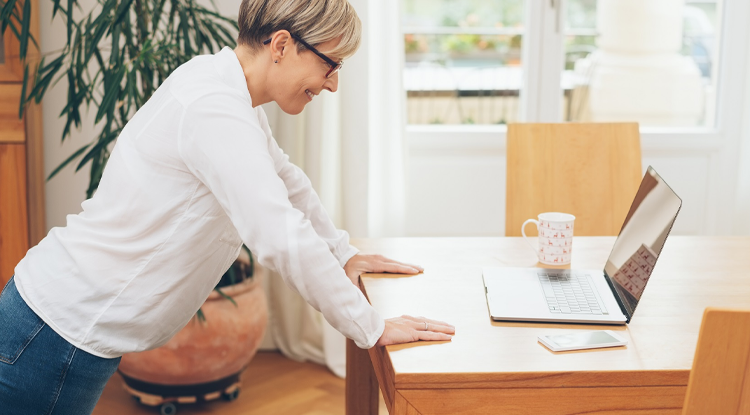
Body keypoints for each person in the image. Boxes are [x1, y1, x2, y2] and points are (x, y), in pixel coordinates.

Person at [0, 0, 455, 413]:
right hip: (52, 334)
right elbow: (279, 235)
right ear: (281, 45)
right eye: (330, 64)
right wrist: (370, 327)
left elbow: (286, 181)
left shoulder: (227, 92)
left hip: (62, 329)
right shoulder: (213, 106)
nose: (333, 84)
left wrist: (343, 254)